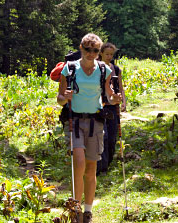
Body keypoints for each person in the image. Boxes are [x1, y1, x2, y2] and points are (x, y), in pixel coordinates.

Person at [57, 33, 122, 223]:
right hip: (75, 122)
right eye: (87, 49)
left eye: (95, 50)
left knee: (91, 168)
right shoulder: (69, 69)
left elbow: (109, 96)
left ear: (98, 51)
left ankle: (87, 211)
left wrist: (115, 99)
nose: (91, 53)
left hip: (96, 122)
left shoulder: (104, 70)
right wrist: (65, 98)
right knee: (78, 163)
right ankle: (76, 209)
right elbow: (59, 98)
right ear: (81, 48)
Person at [97, 42, 127, 174]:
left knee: (112, 136)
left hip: (113, 106)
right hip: (100, 106)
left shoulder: (116, 69)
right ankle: (102, 167)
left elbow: (120, 87)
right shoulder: (95, 68)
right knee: (103, 136)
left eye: (111, 54)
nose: (109, 56)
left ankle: (108, 163)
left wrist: (124, 102)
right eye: (107, 54)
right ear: (101, 53)